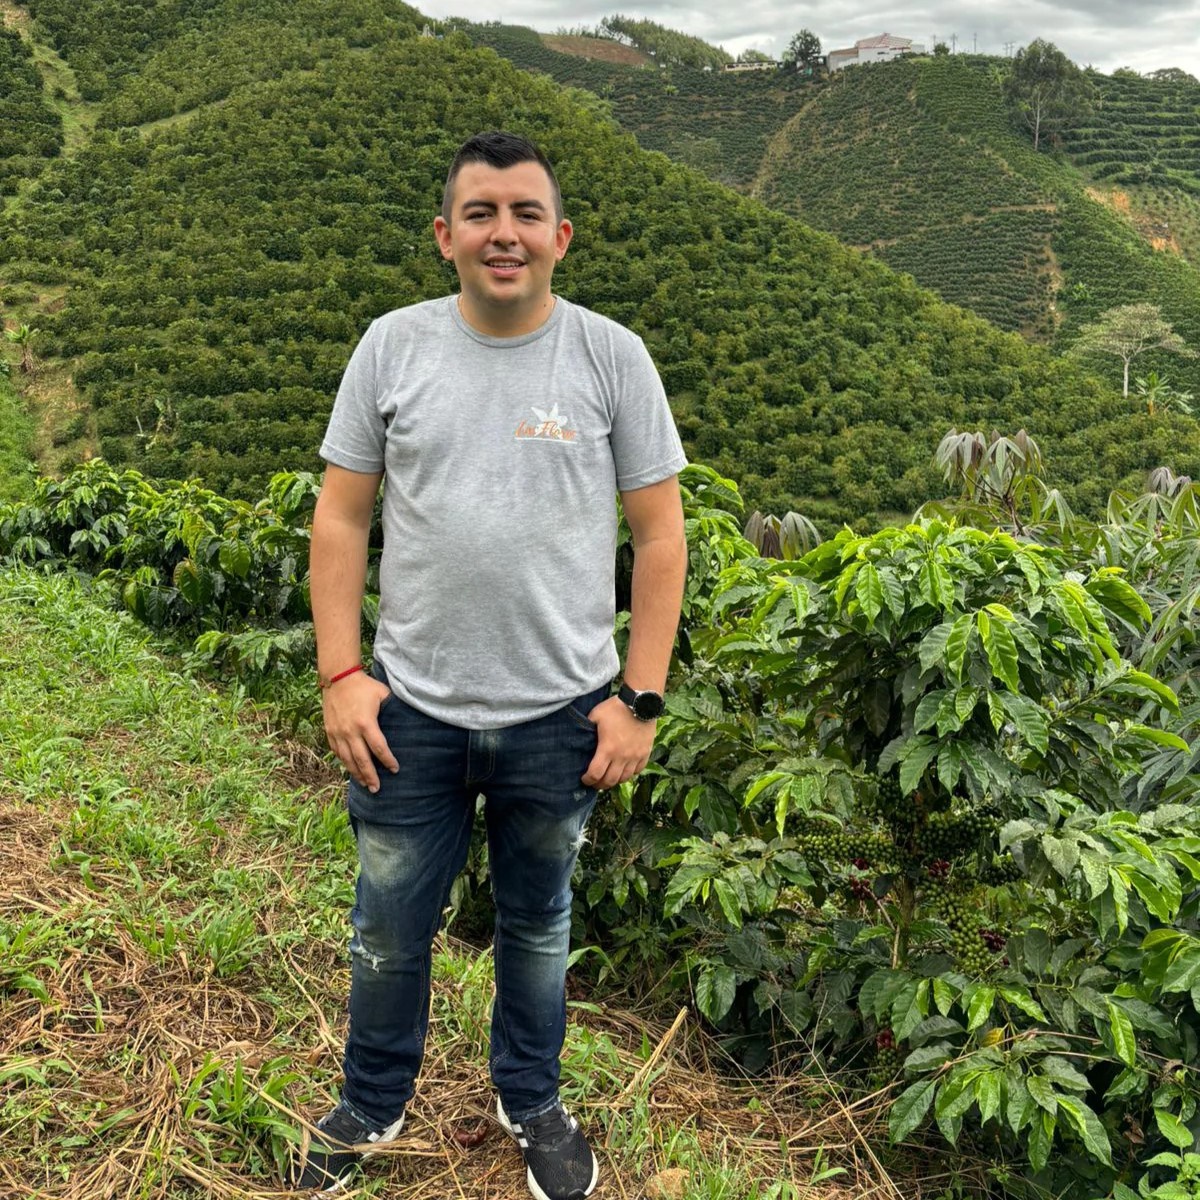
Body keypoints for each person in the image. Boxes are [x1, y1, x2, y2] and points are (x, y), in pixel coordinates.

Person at [293, 130, 688, 1200]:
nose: (502, 233)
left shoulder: (612, 357)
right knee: (387, 928)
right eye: (480, 214)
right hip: (409, 711)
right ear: (444, 235)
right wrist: (341, 675)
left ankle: (533, 1098)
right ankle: (371, 1102)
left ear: (560, 237)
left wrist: (640, 698)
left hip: (562, 714)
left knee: (539, 928)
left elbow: (660, 536)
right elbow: (342, 517)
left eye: (524, 214)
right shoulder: (391, 348)